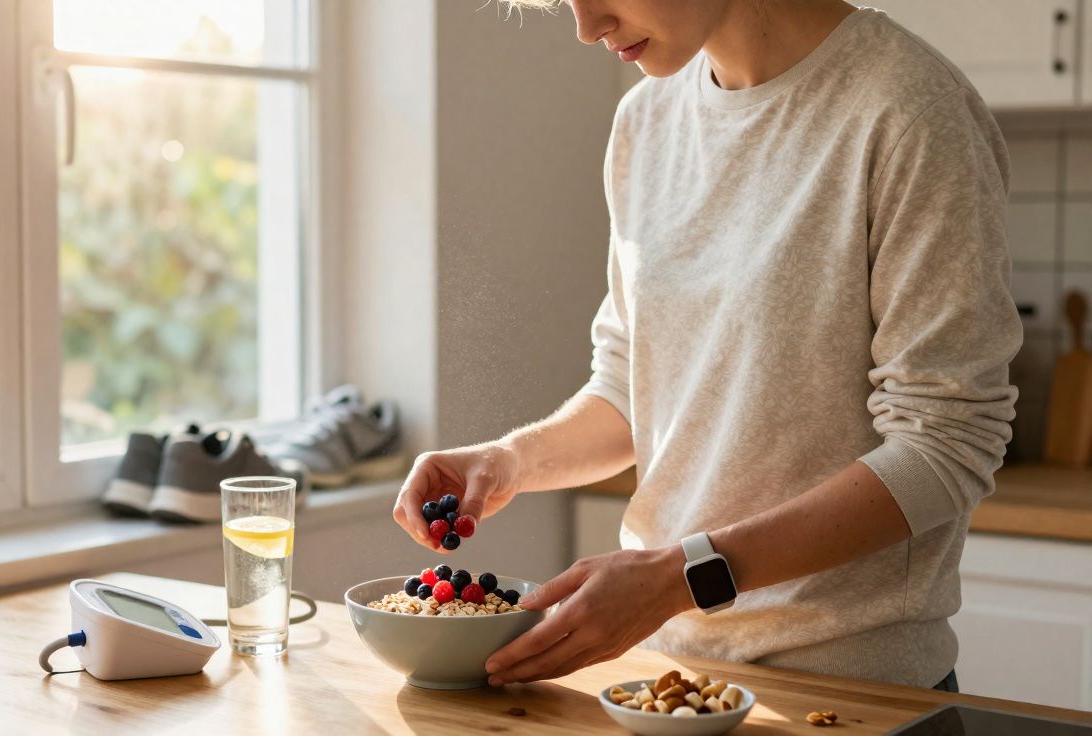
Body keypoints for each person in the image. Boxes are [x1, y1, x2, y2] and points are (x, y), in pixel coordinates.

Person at [392, 0, 1019, 693]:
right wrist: (508, 461)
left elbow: (945, 445)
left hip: (853, 694)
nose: (585, 25)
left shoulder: (908, 107)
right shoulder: (645, 119)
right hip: (669, 680)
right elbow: (637, 382)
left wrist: (681, 575)